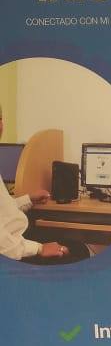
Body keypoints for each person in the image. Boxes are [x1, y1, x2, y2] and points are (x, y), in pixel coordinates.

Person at [0, 106, 69, 262]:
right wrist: (39, 249)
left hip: (16, 239)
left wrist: (28, 199)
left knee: (69, 241)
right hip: (14, 249)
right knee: (76, 250)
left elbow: (4, 211)